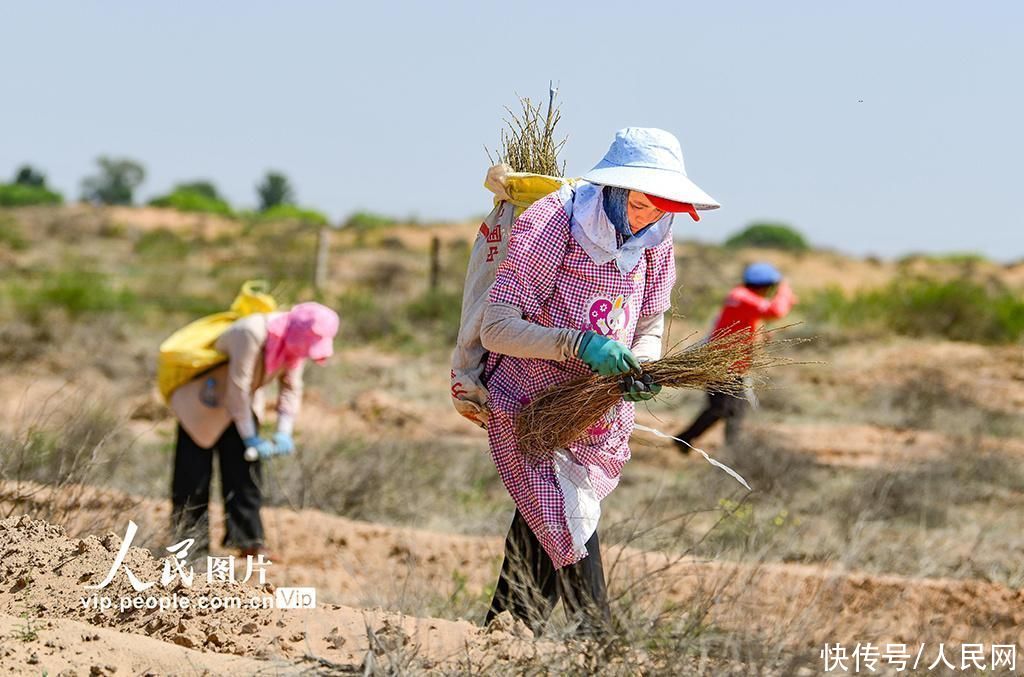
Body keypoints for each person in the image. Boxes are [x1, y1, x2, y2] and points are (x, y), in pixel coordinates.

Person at [478, 127, 719, 634]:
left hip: (595, 410)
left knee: (542, 519)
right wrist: (579, 344)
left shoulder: (656, 239)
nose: (648, 217)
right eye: (640, 204)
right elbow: (496, 327)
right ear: (613, 189)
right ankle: (600, 641)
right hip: (532, 402)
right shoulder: (554, 224)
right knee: (570, 512)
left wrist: (642, 367)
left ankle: (505, 630)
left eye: (661, 208)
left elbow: (650, 320)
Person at [168, 301, 339, 559]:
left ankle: (249, 540)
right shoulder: (250, 333)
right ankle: (188, 546)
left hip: (241, 409)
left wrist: (284, 430)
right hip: (203, 404)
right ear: (298, 333)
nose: (307, 354)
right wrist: (251, 438)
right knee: (194, 477)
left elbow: (291, 387)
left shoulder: (294, 345)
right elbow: (238, 389)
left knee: (245, 474)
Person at [674, 262, 795, 451]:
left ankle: (723, 450)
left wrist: (760, 335)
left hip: (733, 366)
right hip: (721, 365)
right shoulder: (742, 297)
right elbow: (776, 311)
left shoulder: (742, 298)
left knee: (733, 410)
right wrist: (785, 290)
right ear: (767, 286)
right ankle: (690, 441)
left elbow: (744, 325)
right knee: (723, 409)